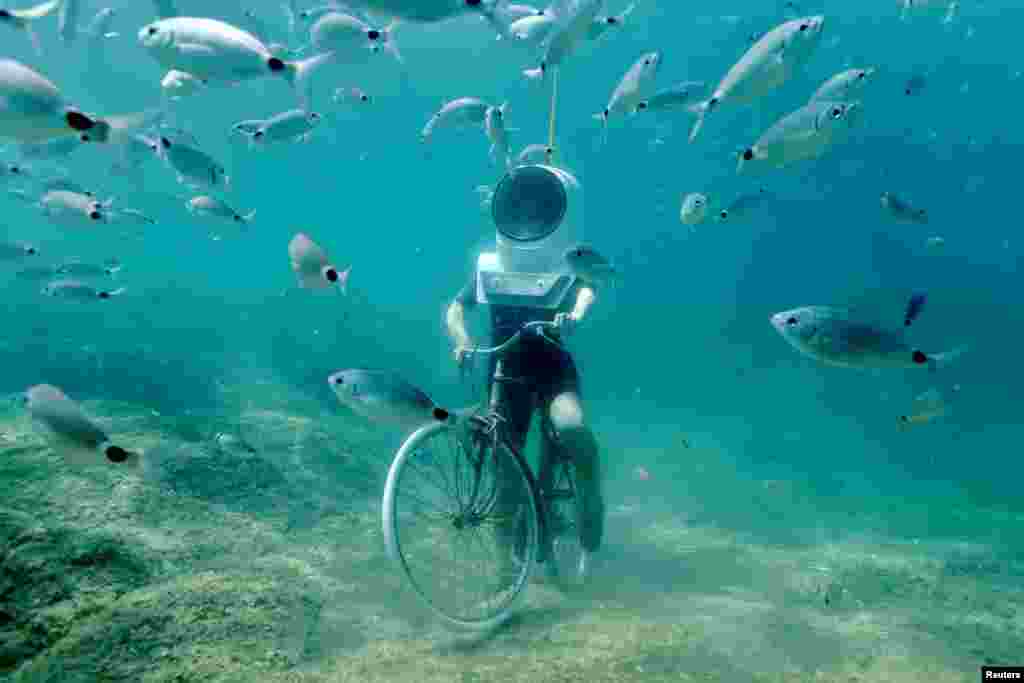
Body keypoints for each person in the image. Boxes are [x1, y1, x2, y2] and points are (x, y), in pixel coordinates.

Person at [444, 164, 605, 564]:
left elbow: (586, 291)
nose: (531, 223)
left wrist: (575, 316)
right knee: (504, 471)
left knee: (570, 427)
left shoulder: (569, 265)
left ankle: (590, 496)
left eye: (538, 213)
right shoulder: (490, 269)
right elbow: (455, 308)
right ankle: (503, 573)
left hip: (553, 371)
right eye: (525, 213)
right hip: (506, 374)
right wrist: (462, 339)